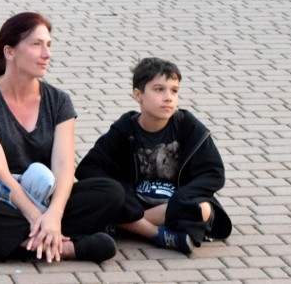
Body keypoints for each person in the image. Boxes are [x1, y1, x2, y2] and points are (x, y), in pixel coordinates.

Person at [0, 12, 125, 263]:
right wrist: (36, 218)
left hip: (47, 196)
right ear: (10, 52)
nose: (46, 54)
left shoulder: (59, 101)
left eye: (48, 45)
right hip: (0, 197)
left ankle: (10, 244)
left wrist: (54, 215)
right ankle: (69, 248)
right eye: (36, 44)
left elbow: (63, 168)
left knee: (111, 192)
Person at [76, 57, 233, 254]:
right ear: (138, 95)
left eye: (174, 90)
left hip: (175, 204)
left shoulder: (187, 125)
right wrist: (126, 199)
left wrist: (181, 197)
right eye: (159, 89)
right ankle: (155, 233)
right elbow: (88, 168)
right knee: (105, 197)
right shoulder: (125, 129)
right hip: (136, 203)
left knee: (203, 209)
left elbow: (214, 173)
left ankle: (125, 226)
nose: (168, 97)